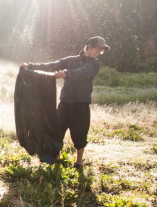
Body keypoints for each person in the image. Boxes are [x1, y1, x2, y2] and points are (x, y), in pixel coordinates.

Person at [20, 36, 110, 168]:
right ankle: (57, 159)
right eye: (98, 48)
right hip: (65, 103)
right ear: (89, 47)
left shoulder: (95, 64)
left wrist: (66, 73)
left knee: (80, 133)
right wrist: (30, 66)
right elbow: (52, 66)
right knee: (57, 131)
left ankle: (79, 162)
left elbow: (83, 73)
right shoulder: (70, 60)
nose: (99, 52)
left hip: (81, 104)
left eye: (101, 50)